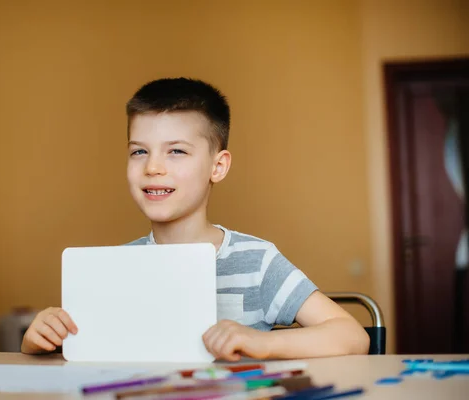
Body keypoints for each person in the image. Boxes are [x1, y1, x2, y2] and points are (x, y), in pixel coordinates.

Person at [21, 77, 370, 360]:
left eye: (176, 151)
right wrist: (38, 341)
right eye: (139, 151)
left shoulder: (257, 262)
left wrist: (261, 344)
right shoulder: (118, 266)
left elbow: (352, 335)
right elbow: (79, 352)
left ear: (217, 167)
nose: (153, 167)